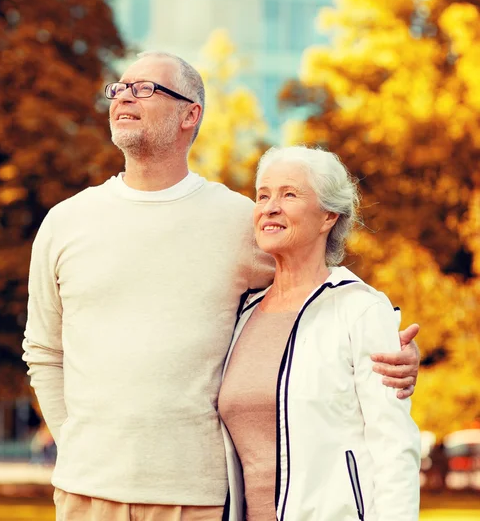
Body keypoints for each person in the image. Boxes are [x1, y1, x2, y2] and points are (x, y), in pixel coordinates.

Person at [22, 52, 420, 521]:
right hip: (84, 492)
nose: (125, 95)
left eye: (146, 88)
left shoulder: (238, 220)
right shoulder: (65, 222)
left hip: (200, 498)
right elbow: (44, 351)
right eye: (120, 87)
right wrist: (77, 445)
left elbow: (311, 291)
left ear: (190, 114)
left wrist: (388, 352)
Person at [218, 146, 421, 521]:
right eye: (263, 195)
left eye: (289, 194)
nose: (270, 207)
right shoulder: (240, 313)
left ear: (329, 214)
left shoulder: (360, 310)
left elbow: (395, 447)